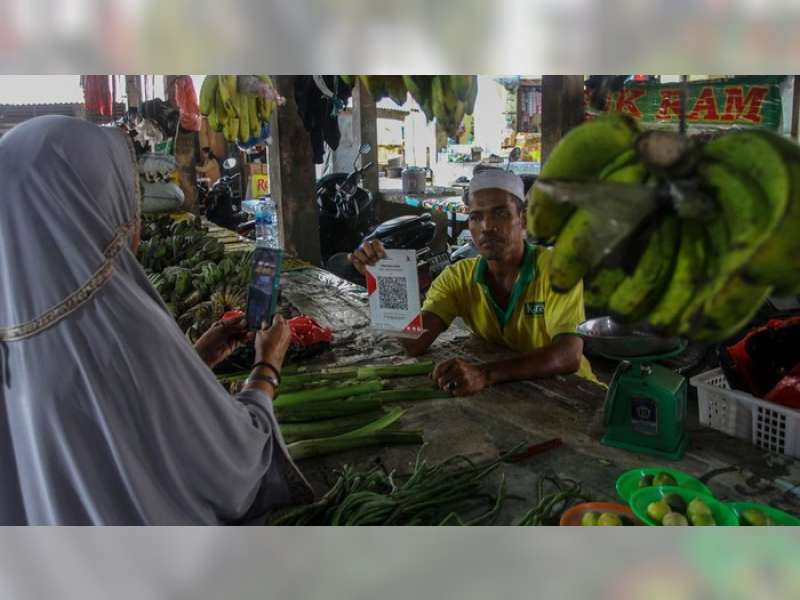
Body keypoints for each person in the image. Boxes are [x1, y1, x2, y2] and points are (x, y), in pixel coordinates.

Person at [0, 115, 312, 525]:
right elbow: (229, 465)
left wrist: (191, 363)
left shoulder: (15, 333)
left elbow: (99, 418)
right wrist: (266, 368)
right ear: (84, 199)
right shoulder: (117, 326)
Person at [350, 168, 599, 396]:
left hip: (573, 394)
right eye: (476, 217)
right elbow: (412, 343)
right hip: (516, 394)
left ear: (522, 220)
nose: (487, 227)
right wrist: (382, 278)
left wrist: (484, 373)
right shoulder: (458, 277)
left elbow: (568, 354)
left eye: (500, 213)